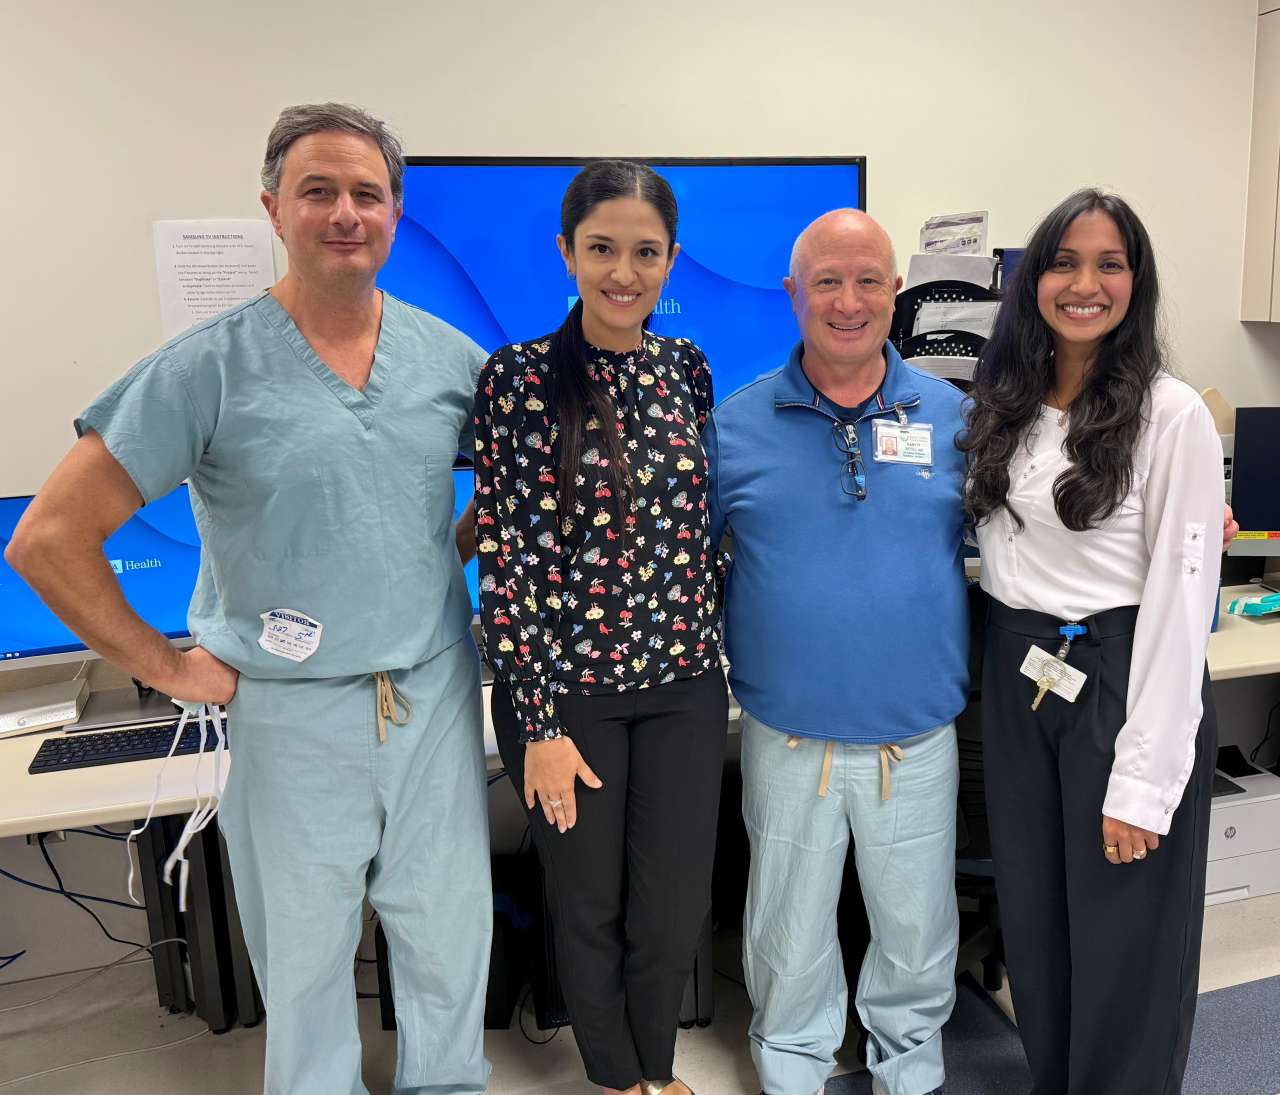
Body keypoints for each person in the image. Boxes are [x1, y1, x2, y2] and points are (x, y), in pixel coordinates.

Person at [5, 103, 492, 1095]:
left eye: (367, 192)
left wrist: (449, 547)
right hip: (289, 708)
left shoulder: (449, 359)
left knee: (448, 934)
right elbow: (48, 538)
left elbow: (520, 485)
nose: (345, 212)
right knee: (306, 956)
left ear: (396, 212)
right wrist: (166, 665)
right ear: (274, 207)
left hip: (434, 692)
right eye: (319, 191)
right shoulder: (206, 368)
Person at [473, 160, 727, 1095]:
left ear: (670, 260)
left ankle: (655, 1065)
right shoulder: (520, 380)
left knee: (672, 908)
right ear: (567, 253)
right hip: (570, 696)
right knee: (589, 905)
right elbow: (513, 565)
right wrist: (536, 725)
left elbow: (700, 533)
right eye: (603, 248)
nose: (625, 271)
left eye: (646, 251)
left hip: (688, 685)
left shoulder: (686, 367)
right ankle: (622, 1082)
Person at [962, 190, 1224, 1095]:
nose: (1085, 284)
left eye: (1109, 264)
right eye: (1064, 263)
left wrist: (1146, 782)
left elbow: (1184, 602)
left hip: (1117, 679)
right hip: (1018, 675)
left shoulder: (1170, 412)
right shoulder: (1007, 400)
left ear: (1135, 282)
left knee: (1124, 938)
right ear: (1032, 279)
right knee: (1037, 922)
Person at [704, 209, 965, 1095]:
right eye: (827, 281)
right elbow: (679, 567)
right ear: (794, 295)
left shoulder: (957, 418)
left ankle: (910, 1065)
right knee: (786, 928)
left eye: (867, 280)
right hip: (790, 737)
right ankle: (791, 1064)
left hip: (916, 733)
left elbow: (1038, 533)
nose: (848, 301)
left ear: (896, 290)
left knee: (916, 926)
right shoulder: (733, 429)